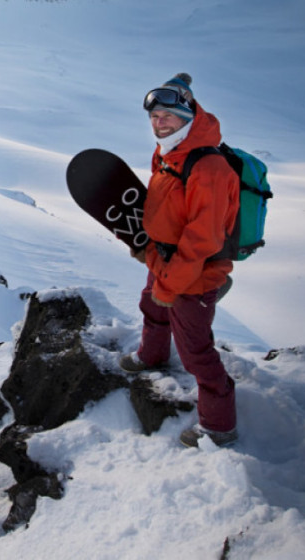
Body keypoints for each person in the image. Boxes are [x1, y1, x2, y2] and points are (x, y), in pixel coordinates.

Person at [120, 73, 240, 448]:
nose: (159, 122)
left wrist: (170, 285)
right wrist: (149, 248)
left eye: (168, 115)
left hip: (196, 274)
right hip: (165, 260)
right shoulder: (168, 152)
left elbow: (203, 239)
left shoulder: (208, 168)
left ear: (188, 114)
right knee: (151, 308)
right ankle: (151, 356)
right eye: (154, 116)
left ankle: (219, 425)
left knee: (195, 349)